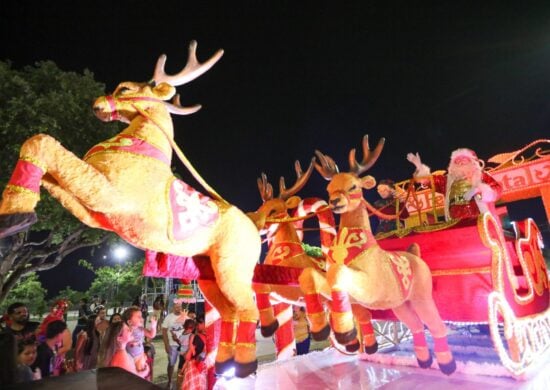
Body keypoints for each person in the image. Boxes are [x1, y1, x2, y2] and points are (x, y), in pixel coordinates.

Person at [407, 148, 502, 222]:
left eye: (464, 160)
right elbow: (429, 180)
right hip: (456, 220)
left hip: (480, 217)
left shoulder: (481, 176)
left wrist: (484, 192)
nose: (460, 163)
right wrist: (419, 166)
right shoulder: (447, 181)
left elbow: (497, 189)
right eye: (457, 161)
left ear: (472, 162)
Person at [122, 306, 157, 380]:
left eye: (142, 316)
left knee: (142, 376)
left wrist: (153, 326)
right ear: (129, 322)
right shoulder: (125, 331)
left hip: (140, 356)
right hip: (130, 359)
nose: (142, 319)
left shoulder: (141, 329)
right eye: (139, 317)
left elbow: (151, 335)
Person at [162, 301, 189, 389]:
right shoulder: (168, 317)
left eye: (180, 307)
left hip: (183, 345)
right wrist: (166, 345)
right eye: (176, 307)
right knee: (171, 363)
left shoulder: (185, 316)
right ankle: (170, 381)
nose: (178, 308)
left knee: (182, 365)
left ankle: (180, 382)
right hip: (172, 345)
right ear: (173, 307)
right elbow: (164, 332)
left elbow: (190, 328)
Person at [180, 315, 208, 390]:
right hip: (204, 368)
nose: (197, 326)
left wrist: (189, 346)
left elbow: (188, 356)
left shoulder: (196, 337)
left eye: (198, 323)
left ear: (204, 323)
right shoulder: (210, 336)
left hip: (194, 367)